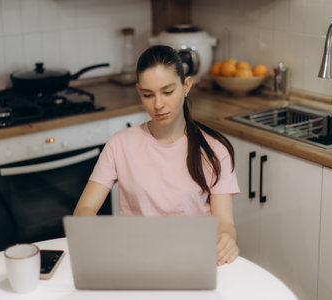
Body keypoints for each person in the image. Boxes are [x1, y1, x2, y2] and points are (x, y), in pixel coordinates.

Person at [74, 45, 240, 265]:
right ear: (139, 91)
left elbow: (225, 224)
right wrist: (95, 235)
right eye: (148, 95)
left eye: (168, 92)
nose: (158, 104)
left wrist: (226, 239)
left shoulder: (215, 150)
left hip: (194, 262)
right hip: (135, 262)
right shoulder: (120, 144)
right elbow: (84, 209)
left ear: (186, 85)